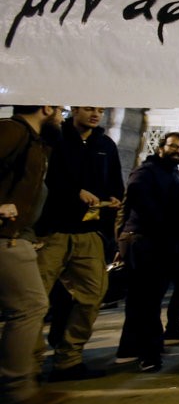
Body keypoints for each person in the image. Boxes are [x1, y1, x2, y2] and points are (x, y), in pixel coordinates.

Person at [34, 106, 124, 382]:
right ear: (74, 110)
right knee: (34, 301)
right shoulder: (54, 138)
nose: (95, 114)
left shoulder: (105, 144)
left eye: (99, 110)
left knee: (94, 293)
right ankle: (27, 363)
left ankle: (68, 359)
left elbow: (115, 182)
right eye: (88, 109)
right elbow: (42, 176)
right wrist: (74, 193)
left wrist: (113, 200)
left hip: (89, 232)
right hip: (53, 231)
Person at [0, 105, 68, 404]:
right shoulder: (13, 131)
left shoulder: (37, 141)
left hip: (20, 236)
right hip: (6, 237)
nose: (62, 116)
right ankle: (16, 389)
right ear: (47, 107)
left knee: (29, 306)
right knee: (31, 306)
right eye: (61, 110)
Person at [115, 132, 179, 373]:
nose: (177, 151)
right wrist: (121, 241)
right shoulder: (146, 172)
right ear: (161, 147)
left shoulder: (176, 175)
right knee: (146, 300)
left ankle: (130, 348)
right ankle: (149, 353)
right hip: (147, 244)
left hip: (165, 245)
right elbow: (136, 206)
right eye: (173, 146)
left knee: (145, 299)